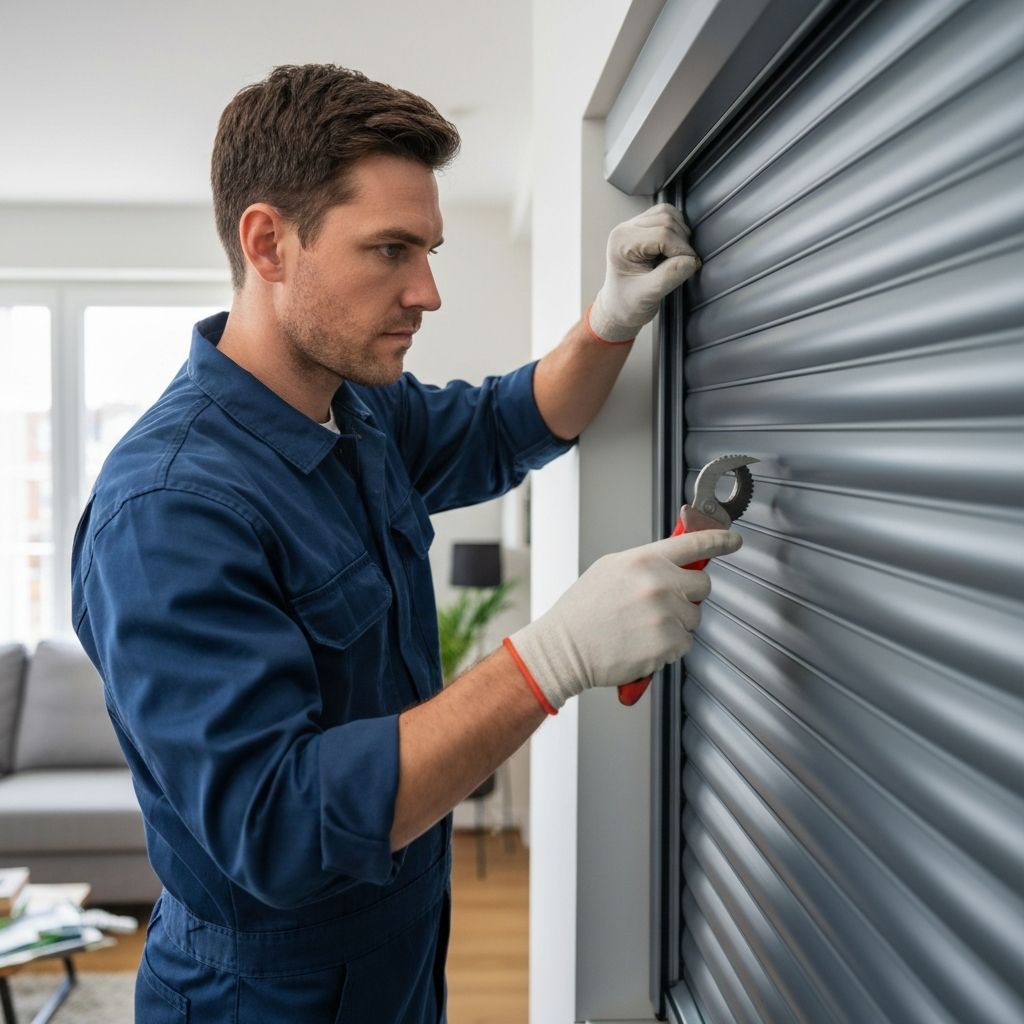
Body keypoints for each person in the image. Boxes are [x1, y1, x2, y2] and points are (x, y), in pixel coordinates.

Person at [71, 64, 741, 1023]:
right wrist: (552, 657)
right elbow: (282, 827)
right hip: (263, 994)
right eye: (388, 249)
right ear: (268, 243)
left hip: (401, 945)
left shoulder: (361, 409)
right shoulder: (170, 509)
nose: (425, 291)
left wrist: (607, 321)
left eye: (427, 248)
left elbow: (509, 424)